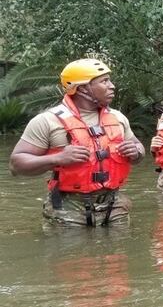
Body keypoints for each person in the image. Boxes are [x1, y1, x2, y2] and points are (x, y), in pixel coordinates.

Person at [9, 58, 145, 226]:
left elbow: (139, 149)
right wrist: (57, 159)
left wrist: (136, 151)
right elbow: (16, 165)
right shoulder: (47, 121)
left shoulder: (118, 118)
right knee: (71, 252)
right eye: (104, 81)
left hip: (114, 206)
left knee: (117, 252)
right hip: (68, 208)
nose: (112, 86)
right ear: (82, 89)